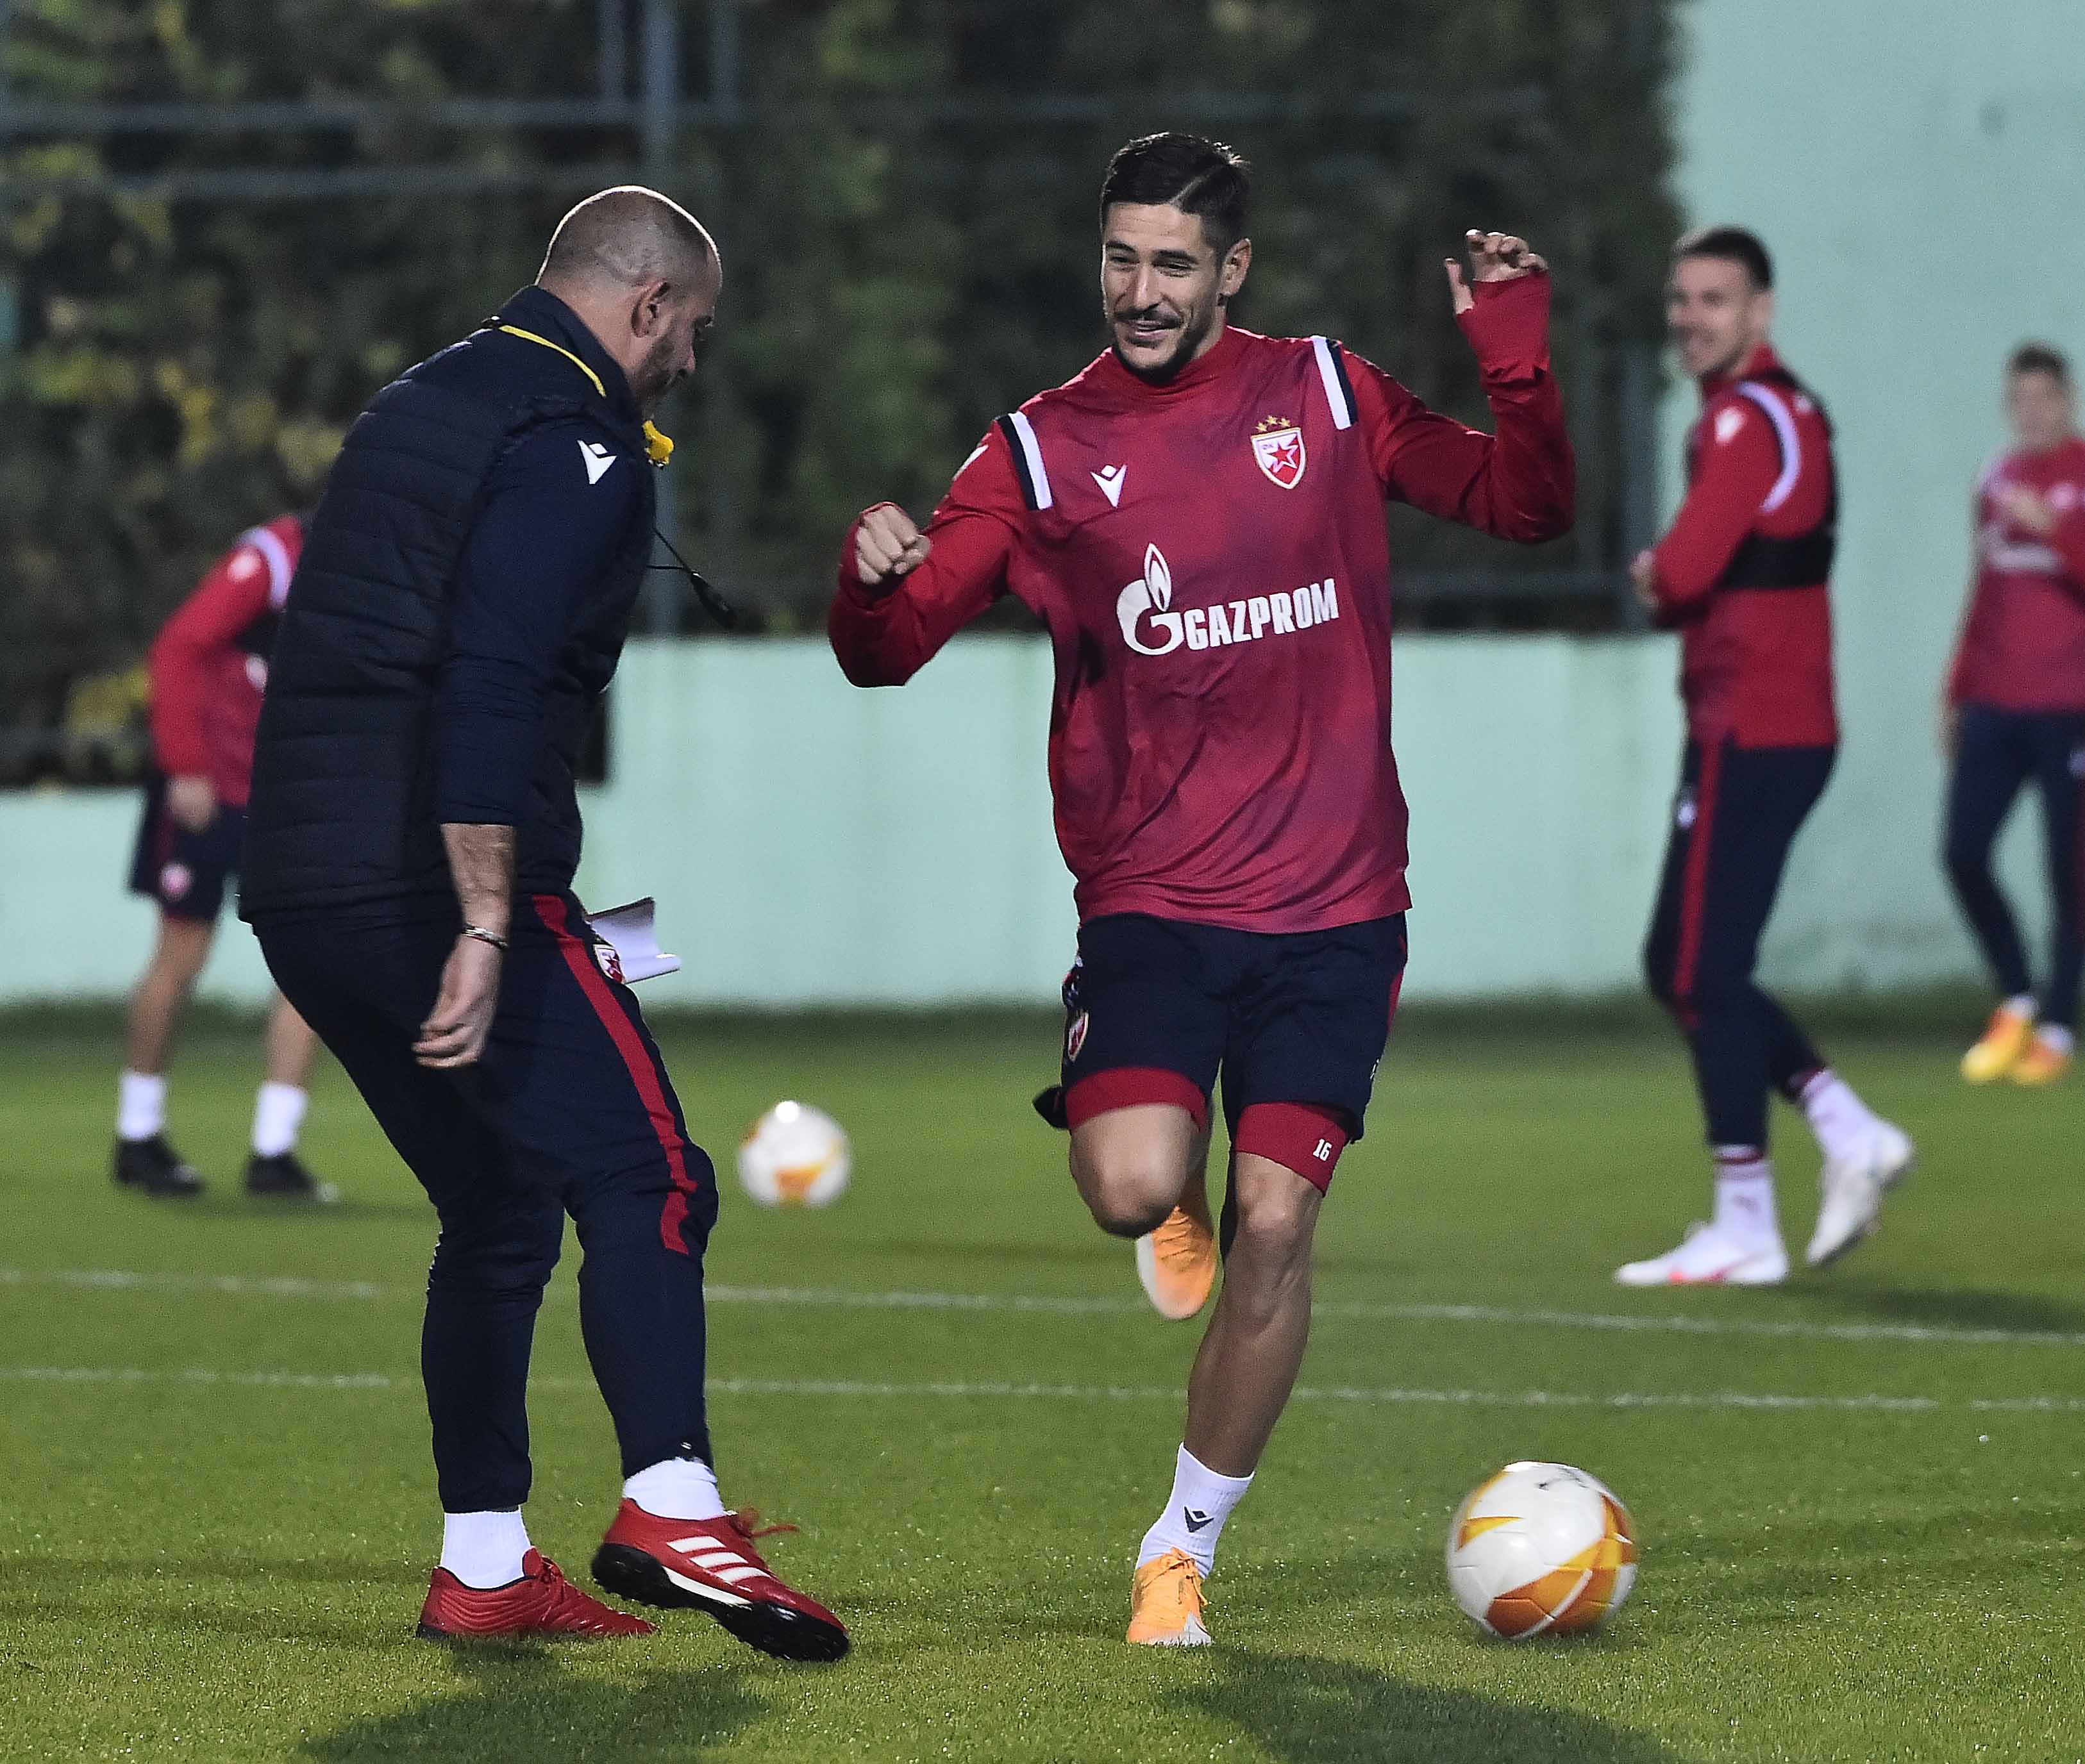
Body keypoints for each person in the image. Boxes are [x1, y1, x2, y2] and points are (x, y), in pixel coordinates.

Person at [829, 133, 1573, 1646]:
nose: (1138, 291)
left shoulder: (1325, 393)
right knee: (1132, 1191)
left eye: (1172, 263)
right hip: (1155, 908)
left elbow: (1523, 508)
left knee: (1276, 1225)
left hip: (1336, 911)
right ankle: (1122, 1112)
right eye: (1118, 258)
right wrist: (866, 574)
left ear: (1231, 271)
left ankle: (1178, 1547)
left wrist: (1515, 360)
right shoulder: (1038, 450)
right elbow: (884, 649)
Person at [239, 187, 846, 1658]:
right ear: (644, 307)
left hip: (305, 889)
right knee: (650, 1170)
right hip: (420, 880)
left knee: (502, 1211)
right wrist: (487, 917)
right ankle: (670, 1502)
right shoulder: (575, 436)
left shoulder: (424, 398)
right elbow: (492, 674)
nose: (687, 367)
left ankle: (484, 1564)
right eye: (688, 333)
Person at [1618, 227, 1912, 1289]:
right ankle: (1844, 1130)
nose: (1690, 316)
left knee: (1697, 967)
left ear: (1760, 312)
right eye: (1680, 297)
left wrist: (1659, 571)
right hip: (1776, 725)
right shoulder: (1788, 411)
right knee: (1686, 963)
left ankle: (1749, 1212)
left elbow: (1685, 570)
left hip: (1751, 725)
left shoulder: (1742, 417)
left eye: (1713, 298)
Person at [117, 515, 334, 1202]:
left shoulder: (369, 572)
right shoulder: (274, 557)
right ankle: (138, 1136)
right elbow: (179, 648)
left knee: (310, 965)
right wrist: (185, 765)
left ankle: (275, 1152)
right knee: (181, 957)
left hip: (283, 796)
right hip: (207, 790)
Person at [1943, 343, 2085, 1086]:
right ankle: (2018, 994)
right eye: (2020, 399)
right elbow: (1984, 592)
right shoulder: (1995, 477)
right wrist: (1954, 689)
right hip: (1994, 702)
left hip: (2070, 706)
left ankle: (2058, 1028)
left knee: (2071, 874)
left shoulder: (2081, 475)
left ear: (2067, 401)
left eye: (2044, 398)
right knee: (1963, 851)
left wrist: (2056, 532)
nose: (2032, 412)